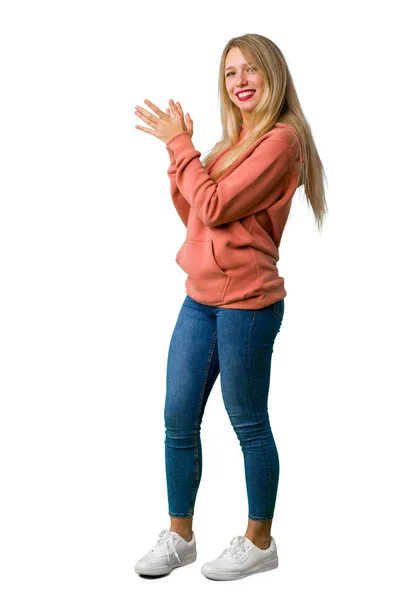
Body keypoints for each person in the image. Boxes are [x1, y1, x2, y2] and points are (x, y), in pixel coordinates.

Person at [133, 33, 327, 581]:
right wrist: (185, 154)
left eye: (250, 70)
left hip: (247, 303)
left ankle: (259, 541)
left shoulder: (281, 141)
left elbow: (213, 205)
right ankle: (179, 536)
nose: (239, 81)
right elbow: (195, 215)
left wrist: (180, 150)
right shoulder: (229, 145)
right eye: (229, 73)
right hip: (199, 299)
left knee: (247, 422)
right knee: (177, 418)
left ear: (273, 76)